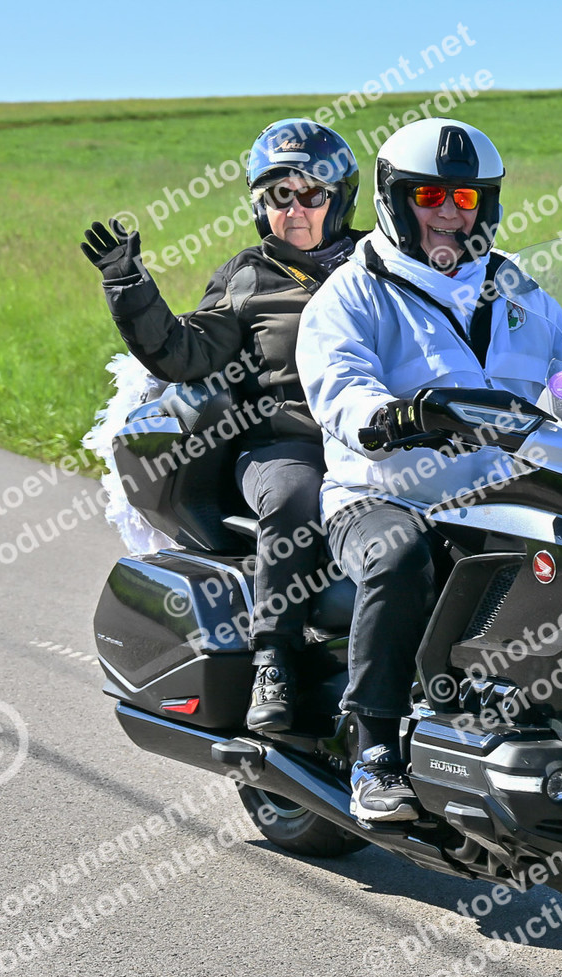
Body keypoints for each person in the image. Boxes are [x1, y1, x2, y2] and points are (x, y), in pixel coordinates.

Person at [296, 118, 562, 822]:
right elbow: (339, 386)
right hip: (384, 495)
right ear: (395, 200)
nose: (450, 214)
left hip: (506, 495)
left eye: (466, 198)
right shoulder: (355, 292)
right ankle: (375, 752)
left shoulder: (518, 290)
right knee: (399, 556)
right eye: (430, 196)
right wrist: (393, 416)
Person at [80, 118, 368, 734]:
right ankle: (274, 660)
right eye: (279, 195)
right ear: (261, 206)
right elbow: (184, 353)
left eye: (310, 194)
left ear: (339, 197)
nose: (294, 209)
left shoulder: (378, 261)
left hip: (378, 436)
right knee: (294, 496)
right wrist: (130, 287)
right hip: (288, 441)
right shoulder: (250, 275)